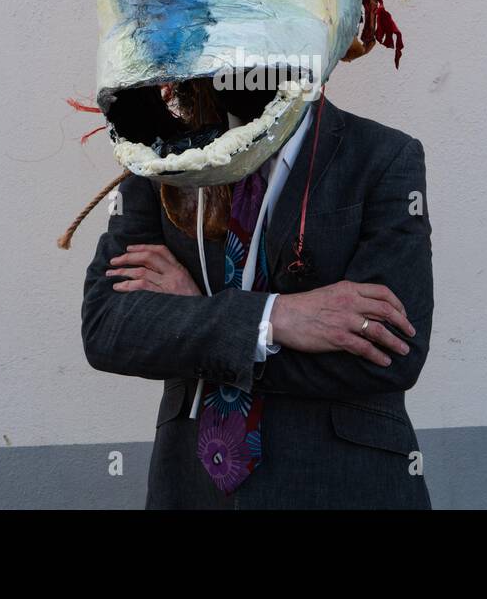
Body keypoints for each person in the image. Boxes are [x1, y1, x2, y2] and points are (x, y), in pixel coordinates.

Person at [80, 92, 433, 509]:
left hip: (342, 484)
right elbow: (108, 326)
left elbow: (388, 349)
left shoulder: (384, 156)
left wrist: (196, 317)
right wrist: (273, 318)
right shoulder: (161, 159)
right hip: (192, 490)